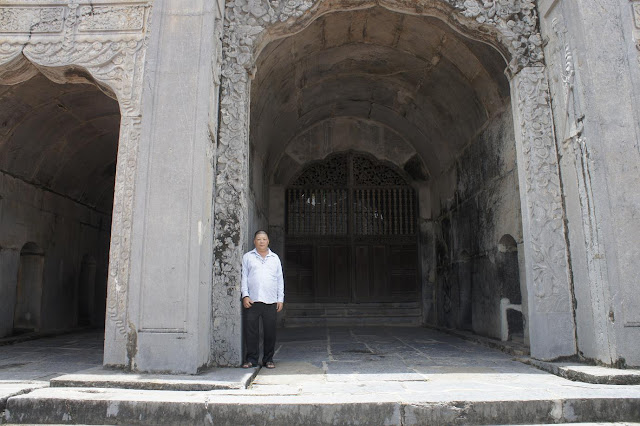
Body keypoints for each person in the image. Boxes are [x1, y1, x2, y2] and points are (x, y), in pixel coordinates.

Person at [241, 230, 284, 369]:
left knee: (270, 332)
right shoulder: (248, 257)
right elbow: (244, 277)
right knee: (251, 332)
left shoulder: (275, 258)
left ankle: (268, 359)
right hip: (252, 300)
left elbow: (280, 280)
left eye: (264, 239)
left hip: (270, 300)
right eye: (259, 239)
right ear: (254, 241)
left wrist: (280, 299)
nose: (261, 241)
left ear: (268, 241)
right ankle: (251, 359)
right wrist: (245, 295)